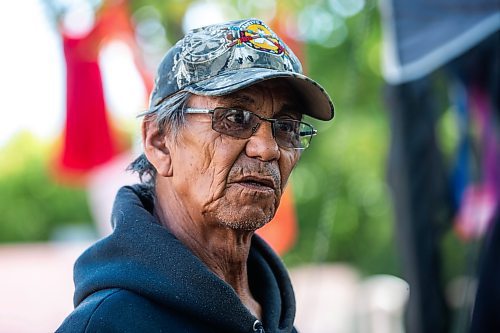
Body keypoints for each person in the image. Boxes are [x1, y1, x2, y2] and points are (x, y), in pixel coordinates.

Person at [56, 18, 334, 333]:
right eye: (235, 118)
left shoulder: (273, 317)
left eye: (286, 127)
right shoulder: (108, 325)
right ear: (159, 143)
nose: (267, 149)